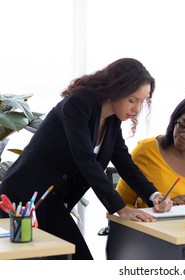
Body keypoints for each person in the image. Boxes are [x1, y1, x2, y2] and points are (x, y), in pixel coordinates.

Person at [0, 58, 172, 260]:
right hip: (19, 201)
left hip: (50, 202)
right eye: (132, 100)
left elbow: (125, 164)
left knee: (81, 260)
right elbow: (85, 160)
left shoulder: (112, 122)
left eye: (143, 101)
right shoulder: (77, 104)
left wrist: (153, 195)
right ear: (114, 89)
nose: (137, 109)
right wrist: (120, 208)